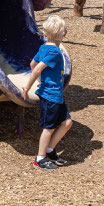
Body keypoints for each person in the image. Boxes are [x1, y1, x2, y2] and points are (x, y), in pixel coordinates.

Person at [23, 15, 73, 170]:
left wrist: (40, 82)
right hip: (51, 96)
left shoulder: (44, 47)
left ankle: (50, 150)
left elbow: (32, 63)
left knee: (67, 123)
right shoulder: (55, 53)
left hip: (55, 94)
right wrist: (28, 86)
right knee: (49, 128)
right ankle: (39, 158)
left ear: (45, 33)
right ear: (64, 34)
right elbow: (37, 68)